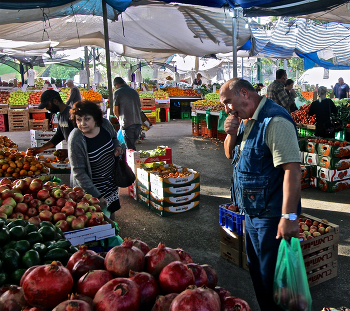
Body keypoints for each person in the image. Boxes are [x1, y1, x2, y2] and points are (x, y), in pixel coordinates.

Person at [220, 78, 301, 311]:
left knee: (273, 278)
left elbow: (292, 171)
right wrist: (231, 134)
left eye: (228, 102)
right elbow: (228, 155)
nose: (227, 108)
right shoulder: (246, 120)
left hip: (271, 216)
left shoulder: (275, 121)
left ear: (244, 93)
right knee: (257, 271)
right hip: (252, 212)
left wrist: (289, 217)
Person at [68, 100, 123, 219]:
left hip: (110, 183)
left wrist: (117, 146)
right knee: (95, 221)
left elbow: (114, 137)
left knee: (111, 215)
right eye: (79, 119)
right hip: (91, 188)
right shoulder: (76, 138)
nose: (82, 123)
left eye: (87, 119)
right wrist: (96, 195)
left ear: (96, 118)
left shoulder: (105, 125)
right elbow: (79, 172)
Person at [29, 90, 75, 155]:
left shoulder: (72, 115)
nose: (47, 108)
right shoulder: (60, 115)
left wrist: (69, 152)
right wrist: (41, 148)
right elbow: (59, 135)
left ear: (55, 101)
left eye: (47, 105)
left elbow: (82, 138)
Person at [113, 77, 142, 151]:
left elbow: (115, 110)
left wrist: (120, 120)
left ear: (116, 84)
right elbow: (139, 107)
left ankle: (133, 161)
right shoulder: (134, 91)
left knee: (130, 149)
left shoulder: (117, 92)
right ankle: (134, 160)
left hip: (127, 123)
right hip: (138, 123)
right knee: (132, 145)